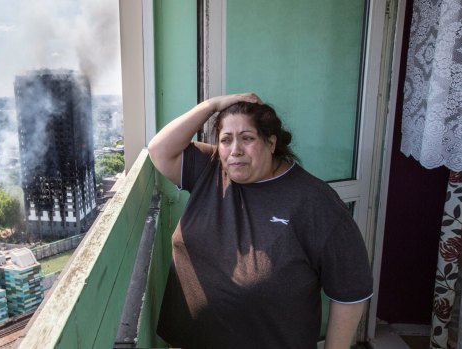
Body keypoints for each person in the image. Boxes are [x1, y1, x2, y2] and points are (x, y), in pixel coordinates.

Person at [147, 93, 373, 349]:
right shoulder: (210, 169)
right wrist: (211, 106)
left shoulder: (314, 201)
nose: (235, 151)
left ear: (271, 142)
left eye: (247, 138)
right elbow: (159, 150)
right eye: (226, 140)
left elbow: (351, 290)